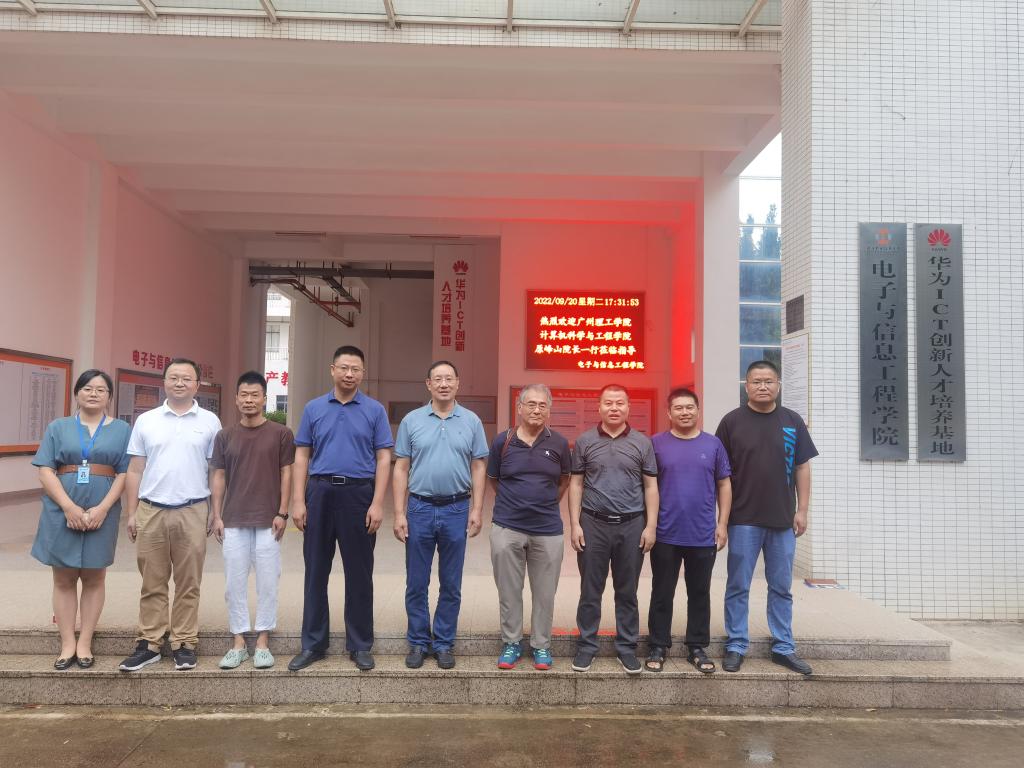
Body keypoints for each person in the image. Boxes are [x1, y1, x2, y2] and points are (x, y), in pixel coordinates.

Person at [288, 346, 393, 672]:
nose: (350, 374)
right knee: (315, 571)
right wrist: (298, 500)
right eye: (344, 368)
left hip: (359, 495)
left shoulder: (374, 410)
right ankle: (313, 644)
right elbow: (302, 455)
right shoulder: (314, 408)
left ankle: (360, 645)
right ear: (332, 369)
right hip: (319, 493)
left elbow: (384, 458)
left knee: (359, 573)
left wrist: (378, 503)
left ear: (362, 373)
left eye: (355, 369)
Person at [118, 358, 222, 672]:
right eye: (173, 377)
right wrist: (131, 512)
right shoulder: (146, 420)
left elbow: (215, 471)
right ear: (164, 382)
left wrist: (215, 512)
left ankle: (184, 643)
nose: (179, 383)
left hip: (192, 509)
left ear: (197, 385)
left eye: (186, 378)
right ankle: (149, 643)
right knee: (152, 581)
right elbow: (135, 469)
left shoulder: (210, 421)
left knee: (189, 582)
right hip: (151, 509)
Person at [716, 360, 819, 675]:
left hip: (782, 520)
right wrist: (722, 520)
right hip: (743, 519)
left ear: (778, 385)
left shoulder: (792, 421)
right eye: (756, 381)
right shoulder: (731, 422)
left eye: (769, 381)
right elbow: (720, 475)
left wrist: (802, 510)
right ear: (746, 386)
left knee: (781, 587)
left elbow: (802, 466)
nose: (763, 386)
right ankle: (736, 644)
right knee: (738, 585)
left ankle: (783, 647)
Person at [31, 369, 130, 670]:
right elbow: (45, 470)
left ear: (109, 397)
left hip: (103, 512)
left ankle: (85, 642)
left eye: (101, 389)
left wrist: (103, 509)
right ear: (77, 393)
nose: (93, 393)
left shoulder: (123, 429)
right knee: (63, 578)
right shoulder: (58, 427)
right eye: (87, 388)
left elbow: (125, 473)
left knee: (94, 576)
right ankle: (67, 644)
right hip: (61, 510)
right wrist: (69, 507)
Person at [393, 360, 489, 670]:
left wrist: (477, 509)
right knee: (416, 582)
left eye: (449, 379)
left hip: (456, 509)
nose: (444, 384)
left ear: (458, 383)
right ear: (428, 384)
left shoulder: (471, 421)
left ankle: (444, 643)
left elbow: (479, 466)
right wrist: (399, 512)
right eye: (438, 379)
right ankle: (419, 642)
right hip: (419, 508)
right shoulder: (412, 420)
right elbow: (401, 467)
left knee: (451, 583)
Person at [569, 384, 658, 675]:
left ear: (628, 407)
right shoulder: (585, 441)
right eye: (608, 403)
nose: (614, 408)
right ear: (599, 407)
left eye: (620, 403)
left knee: (627, 590)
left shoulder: (642, 443)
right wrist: (575, 524)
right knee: (590, 590)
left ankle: (627, 648)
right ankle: (586, 646)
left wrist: (651, 526)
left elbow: (651, 486)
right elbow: (576, 484)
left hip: (632, 525)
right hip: (593, 523)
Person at [210, 371, 295, 670]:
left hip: (268, 520)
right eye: (244, 395)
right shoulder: (225, 436)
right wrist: (216, 514)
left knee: (268, 582)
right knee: (234, 583)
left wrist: (282, 512)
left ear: (264, 398)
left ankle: (262, 642)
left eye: (254, 395)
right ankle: (238, 643)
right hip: (233, 519)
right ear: (236, 399)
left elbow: (287, 473)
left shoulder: (281, 434)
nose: (249, 400)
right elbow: (219, 476)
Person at [645, 387, 732, 674]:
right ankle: (658, 645)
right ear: (669, 413)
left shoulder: (713, 444)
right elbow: (647, 486)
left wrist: (722, 524)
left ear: (698, 410)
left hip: (702, 533)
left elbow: (724, 484)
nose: (684, 412)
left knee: (699, 592)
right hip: (665, 532)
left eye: (689, 407)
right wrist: (650, 526)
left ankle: (697, 646)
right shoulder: (655, 444)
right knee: (662, 591)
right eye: (678, 408)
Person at [487, 384, 571, 671]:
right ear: (519, 407)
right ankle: (511, 643)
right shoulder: (503, 441)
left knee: (545, 593)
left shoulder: (559, 443)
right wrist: (515, 502)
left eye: (542, 405)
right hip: (507, 527)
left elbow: (564, 480)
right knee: (509, 590)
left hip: (547, 529)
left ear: (549, 410)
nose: (537, 410)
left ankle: (541, 645)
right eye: (531, 404)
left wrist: (544, 503)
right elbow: (494, 478)